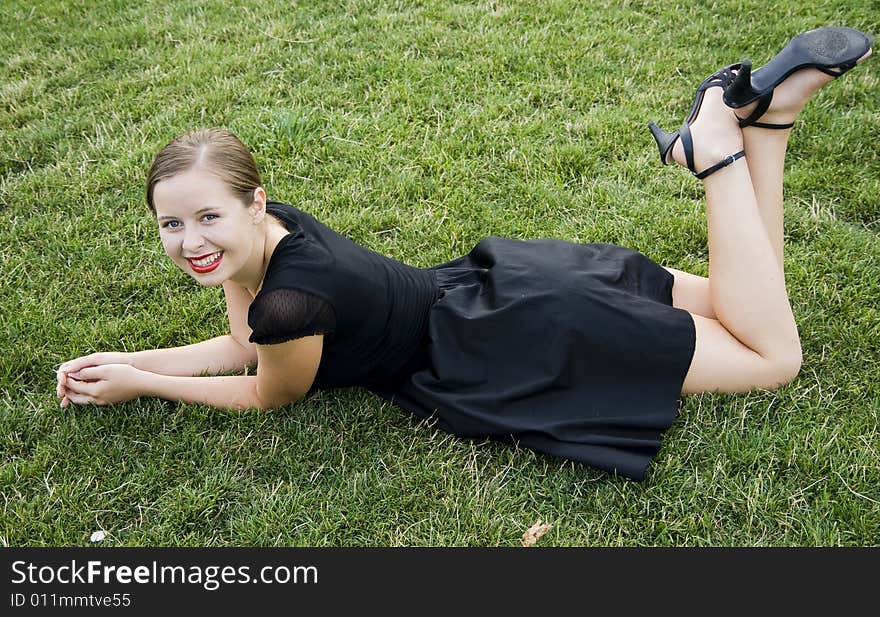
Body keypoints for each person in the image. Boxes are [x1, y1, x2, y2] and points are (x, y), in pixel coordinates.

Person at [56, 27, 874, 481]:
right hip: (507, 288)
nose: (191, 242)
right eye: (171, 225)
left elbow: (269, 390)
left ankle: (717, 147)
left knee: (774, 358)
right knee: (746, 301)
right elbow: (245, 343)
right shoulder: (274, 238)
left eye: (205, 218)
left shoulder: (288, 303)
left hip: (513, 343)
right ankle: (767, 126)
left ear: (253, 201)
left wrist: (145, 383)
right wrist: (130, 356)